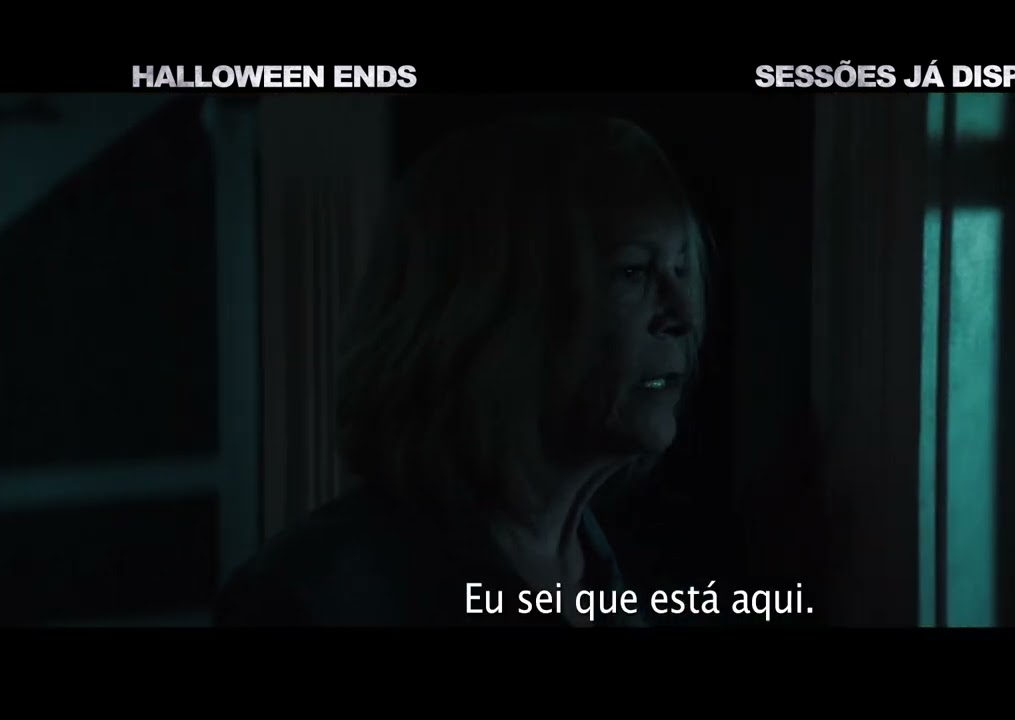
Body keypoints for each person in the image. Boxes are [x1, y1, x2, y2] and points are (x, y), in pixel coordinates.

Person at [213, 113, 709, 627]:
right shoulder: (313, 603)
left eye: (681, 269)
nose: (685, 314)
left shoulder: (640, 578)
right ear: (494, 313)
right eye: (632, 271)